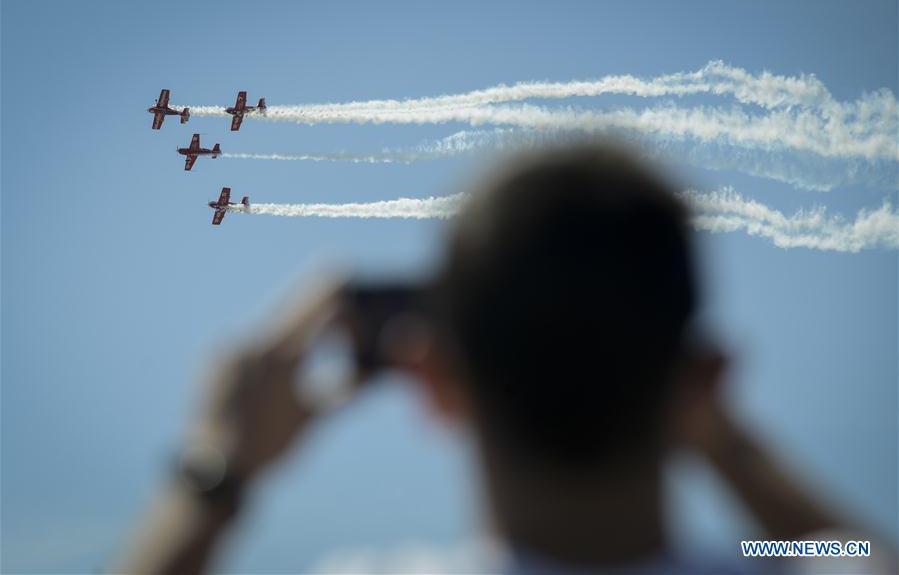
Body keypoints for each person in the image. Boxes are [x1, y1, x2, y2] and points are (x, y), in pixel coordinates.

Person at [118, 143, 895, 574]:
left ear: (436, 382)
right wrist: (725, 440)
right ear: (704, 379)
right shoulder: (772, 564)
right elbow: (850, 550)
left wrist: (218, 472)